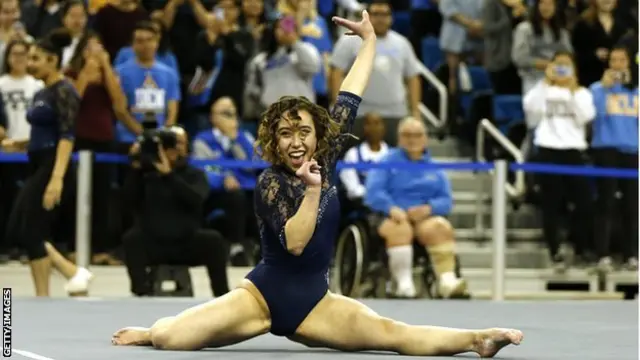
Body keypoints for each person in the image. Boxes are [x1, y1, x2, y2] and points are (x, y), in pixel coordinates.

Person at [111, 11, 523, 357]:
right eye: (286, 134)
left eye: (304, 132)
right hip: (260, 299)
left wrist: (369, 44)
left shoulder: (325, 156)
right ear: (274, 140)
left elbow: (351, 92)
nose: (296, 142)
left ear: (317, 136)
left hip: (316, 304)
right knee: (169, 338)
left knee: (393, 333)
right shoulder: (270, 182)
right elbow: (293, 243)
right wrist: (311, 190)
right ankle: (151, 330)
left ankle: (477, 338)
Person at [1, 29, 93, 296]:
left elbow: (66, 136)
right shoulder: (42, 91)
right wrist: (18, 144)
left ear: (52, 60)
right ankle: (57, 284)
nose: (29, 64)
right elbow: (43, 132)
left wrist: (56, 178)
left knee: (28, 230)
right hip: (38, 162)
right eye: (29, 58)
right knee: (22, 230)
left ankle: (66, 276)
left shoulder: (64, 91)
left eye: (35, 59)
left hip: (54, 165)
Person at [365, 117, 467, 299]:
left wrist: (429, 209)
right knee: (400, 229)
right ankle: (403, 283)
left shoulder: (434, 168)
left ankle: (447, 280)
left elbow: (446, 200)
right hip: (392, 215)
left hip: (423, 217)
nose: (413, 140)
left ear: (425, 138)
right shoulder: (386, 161)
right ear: (399, 138)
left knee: (440, 227)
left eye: (417, 135)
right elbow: (373, 193)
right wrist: (392, 208)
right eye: (407, 135)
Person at [121, 126, 230, 297]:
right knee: (131, 239)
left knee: (213, 240)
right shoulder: (144, 175)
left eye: (180, 143)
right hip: (153, 242)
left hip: (187, 242)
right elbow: (128, 202)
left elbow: (196, 200)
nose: (176, 148)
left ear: (187, 147)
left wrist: (169, 175)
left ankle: (222, 295)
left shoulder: (195, 174)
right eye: (170, 144)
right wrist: (135, 167)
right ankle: (141, 292)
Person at [523, 51, 596, 270]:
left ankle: (579, 246)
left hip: (573, 151)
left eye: (567, 65)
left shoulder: (582, 93)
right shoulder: (543, 89)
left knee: (584, 203)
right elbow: (530, 107)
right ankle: (554, 250)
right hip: (548, 150)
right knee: (551, 205)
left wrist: (571, 90)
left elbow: (586, 116)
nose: (562, 70)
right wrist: (546, 81)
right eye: (558, 65)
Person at [589, 46, 638, 272]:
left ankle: (631, 255)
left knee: (632, 204)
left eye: (622, 60)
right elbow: (594, 116)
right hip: (606, 148)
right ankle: (603, 254)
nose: (618, 64)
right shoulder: (597, 89)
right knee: (605, 202)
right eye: (614, 60)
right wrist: (605, 89)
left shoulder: (636, 91)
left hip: (631, 150)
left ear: (629, 63)